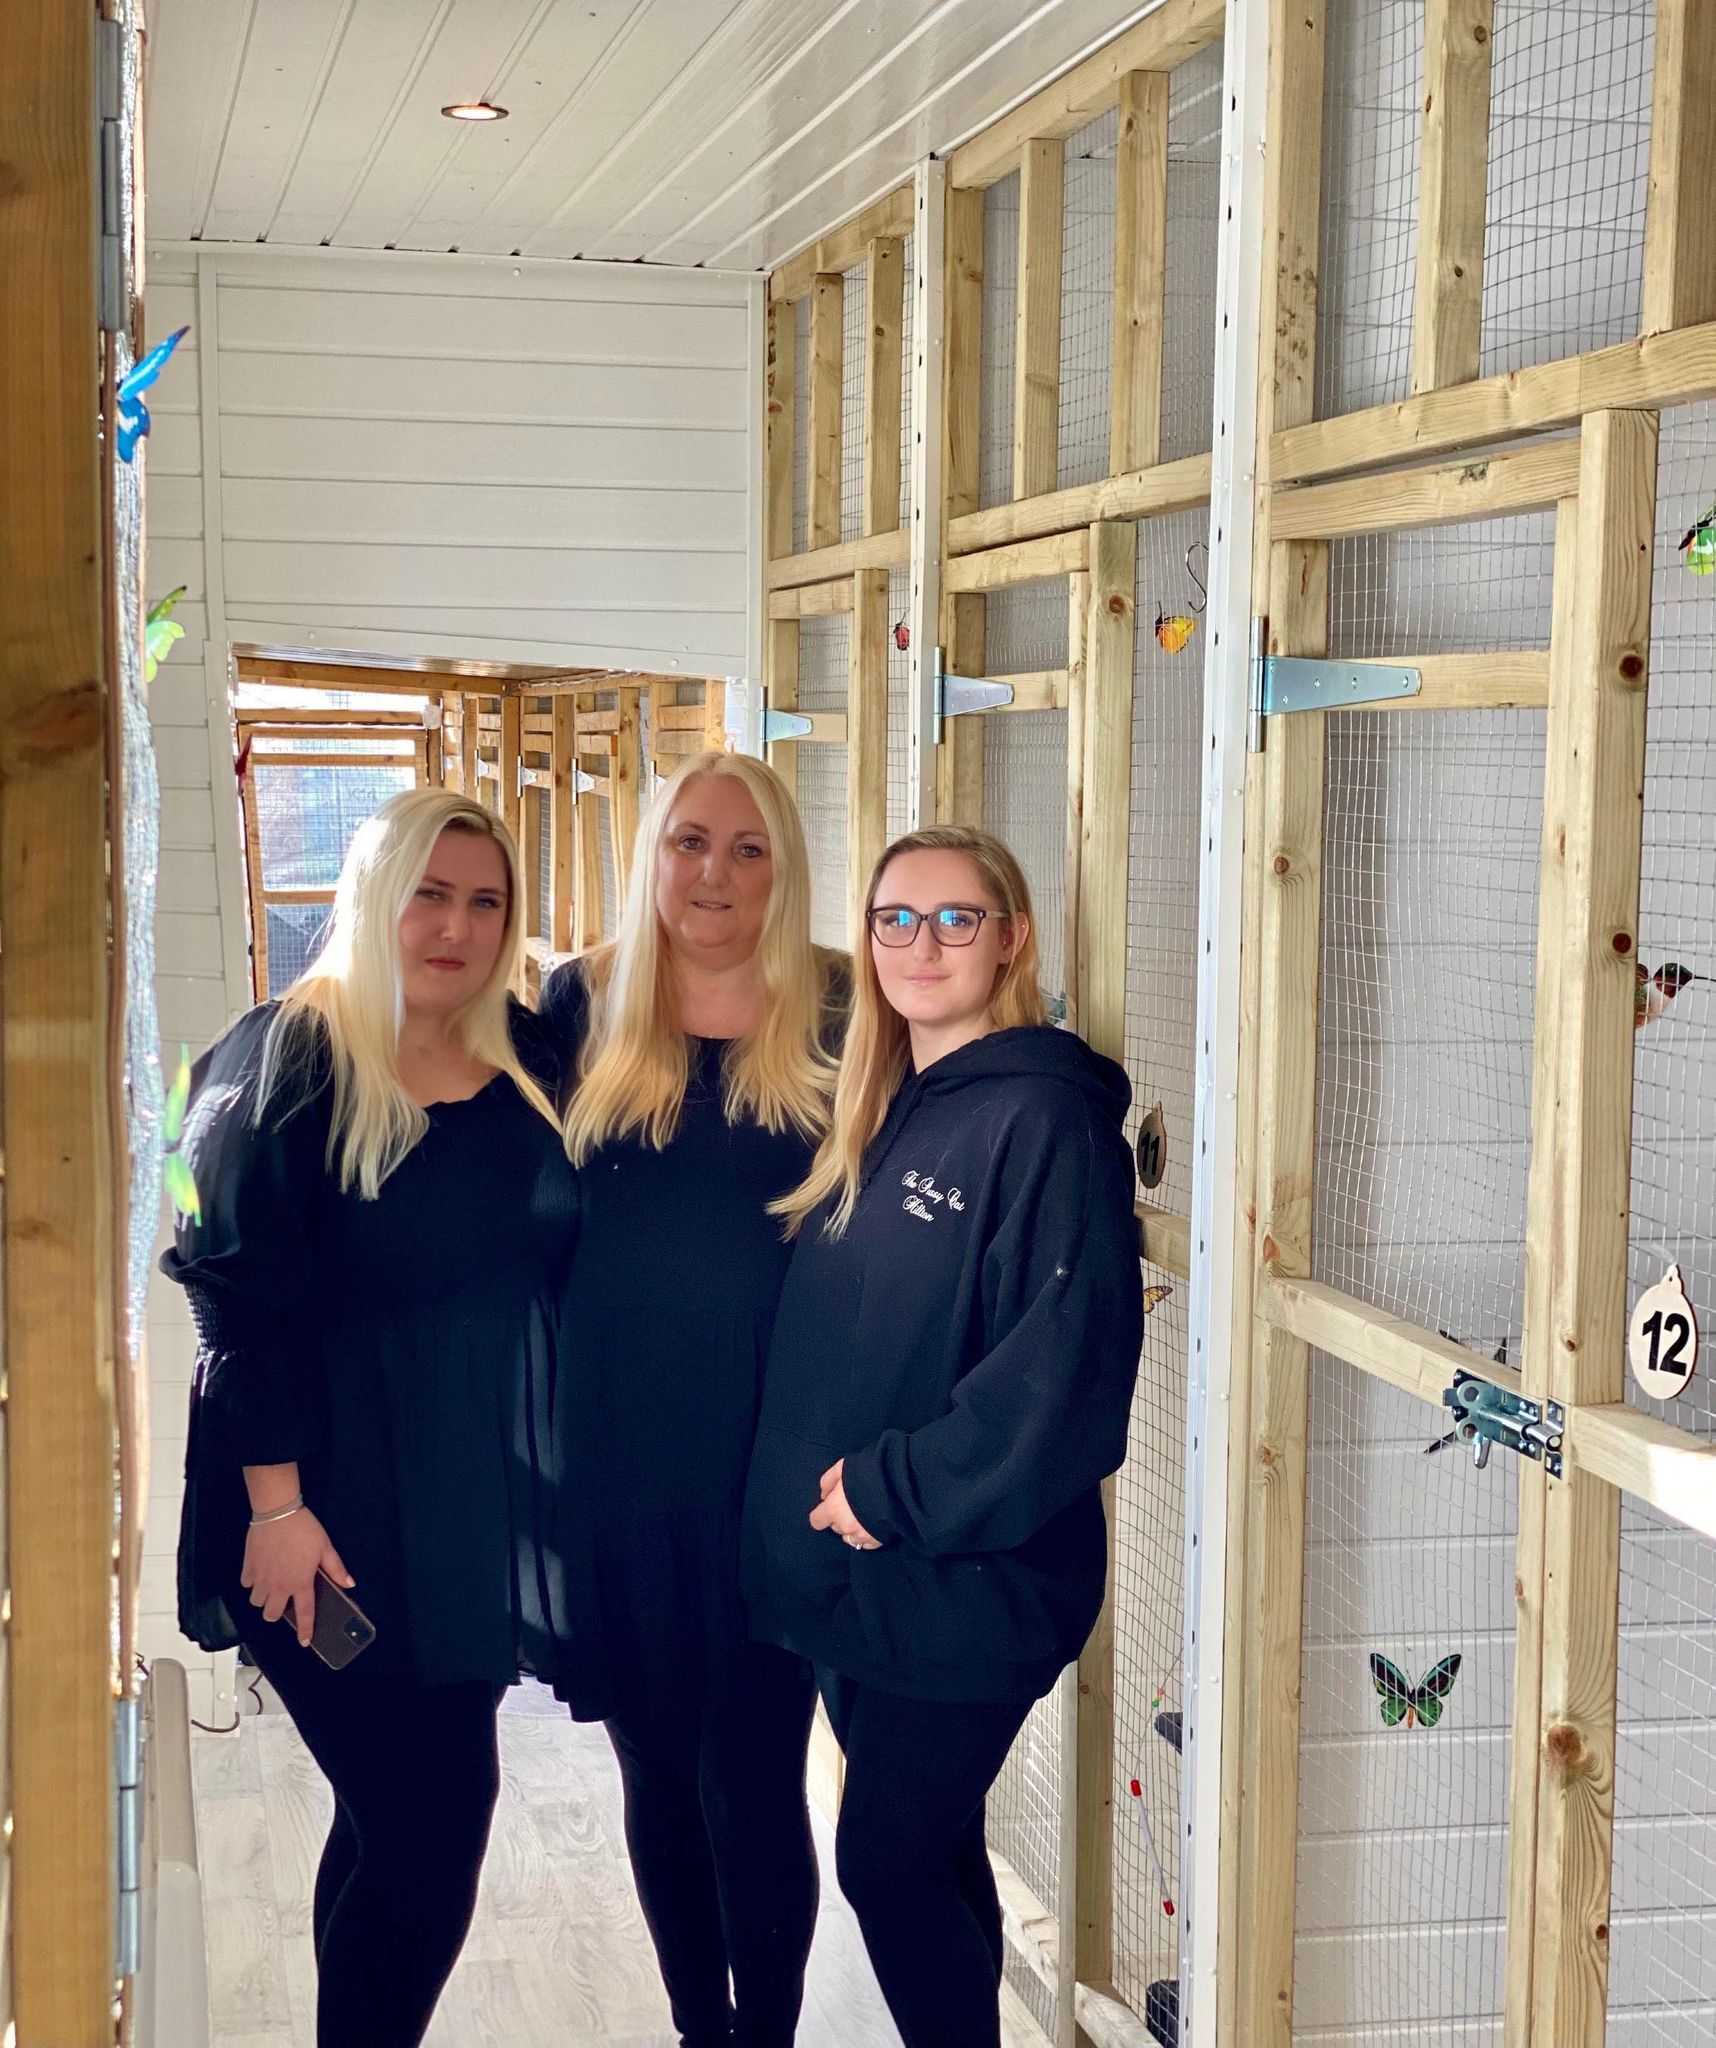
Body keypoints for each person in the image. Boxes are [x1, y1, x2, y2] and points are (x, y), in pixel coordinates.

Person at [163, 788, 576, 2048]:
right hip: (321, 1513)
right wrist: (276, 1506)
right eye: (428, 893)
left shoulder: (523, 1051)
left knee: (389, 1810)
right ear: (374, 896)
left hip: (459, 1507)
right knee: (432, 1811)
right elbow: (233, 1298)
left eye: (484, 899)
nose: (454, 925)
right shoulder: (287, 1052)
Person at [742, 825, 1144, 2048]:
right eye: (894, 918)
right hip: (865, 1575)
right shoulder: (887, 1101)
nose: (921, 943)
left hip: (969, 1574)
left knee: (886, 1861)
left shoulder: (1044, 1119)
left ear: (1013, 937)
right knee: (936, 1853)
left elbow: (1059, 1377)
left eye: (955, 917)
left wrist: (892, 1486)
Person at [540, 750, 847, 2048]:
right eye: (688, 842)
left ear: (782, 868)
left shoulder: (839, 1006)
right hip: (617, 1460)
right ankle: (697, 2027)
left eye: (746, 848)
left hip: (774, 1466)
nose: (712, 871)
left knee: (758, 1777)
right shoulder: (579, 1002)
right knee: (658, 1767)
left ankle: (764, 2032)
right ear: (650, 852)